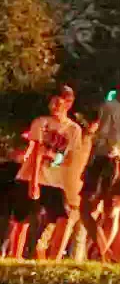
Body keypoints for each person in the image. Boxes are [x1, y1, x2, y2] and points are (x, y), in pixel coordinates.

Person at [4, 86, 84, 260]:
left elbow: (69, 159)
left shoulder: (74, 130)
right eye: (51, 102)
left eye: (57, 102)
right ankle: (15, 257)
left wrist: (54, 157)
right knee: (22, 219)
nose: (53, 106)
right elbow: (35, 153)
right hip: (30, 177)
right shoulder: (41, 123)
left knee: (64, 217)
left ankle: (54, 259)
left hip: (55, 181)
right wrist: (33, 183)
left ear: (68, 104)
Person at [78, 74, 120, 262]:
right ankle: (104, 255)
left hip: (106, 159)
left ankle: (104, 252)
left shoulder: (110, 107)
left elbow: (102, 136)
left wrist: (88, 163)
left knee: (86, 208)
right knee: (112, 212)